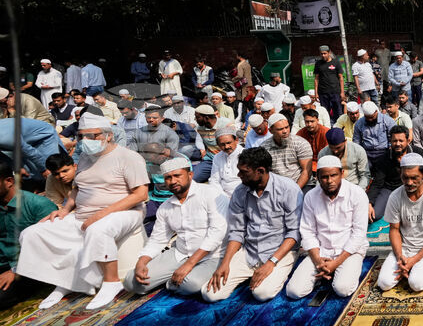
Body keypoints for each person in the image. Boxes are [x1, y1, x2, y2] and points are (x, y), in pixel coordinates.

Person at [18, 113, 149, 310]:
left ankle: (111, 282)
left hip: (126, 211)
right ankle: (65, 281)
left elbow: (140, 194)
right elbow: (77, 189)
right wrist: (64, 211)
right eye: (81, 136)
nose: (86, 141)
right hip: (83, 213)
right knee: (33, 233)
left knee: (98, 230)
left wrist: (102, 214)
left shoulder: (128, 157)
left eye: (92, 136)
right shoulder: (85, 158)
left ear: (108, 135)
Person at [203, 148, 302, 302]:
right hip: (250, 251)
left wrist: (271, 263)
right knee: (209, 293)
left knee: (261, 293)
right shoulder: (240, 192)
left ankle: (278, 270)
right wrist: (225, 263)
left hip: (279, 251)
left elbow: (294, 232)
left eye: (244, 172)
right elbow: (237, 231)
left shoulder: (288, 189)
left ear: (260, 171)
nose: (239, 176)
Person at [123, 157, 228, 296]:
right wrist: (141, 262)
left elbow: (217, 234)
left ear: (190, 175)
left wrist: (189, 264)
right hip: (180, 253)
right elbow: (157, 240)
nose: (172, 181)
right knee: (131, 282)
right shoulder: (165, 207)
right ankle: (175, 277)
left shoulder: (211, 194)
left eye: (177, 176)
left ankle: (174, 279)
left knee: (191, 284)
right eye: (168, 178)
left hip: (212, 255)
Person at [286, 156, 369, 299]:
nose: (330, 181)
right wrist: (318, 260)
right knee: (294, 291)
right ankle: (325, 273)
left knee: (342, 289)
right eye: (324, 177)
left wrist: (336, 263)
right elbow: (307, 231)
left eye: (334, 175)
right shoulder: (311, 196)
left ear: (342, 174)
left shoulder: (357, 194)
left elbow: (358, 234)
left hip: (349, 251)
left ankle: (336, 271)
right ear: (317, 177)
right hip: (321, 251)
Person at [376, 154, 423, 292]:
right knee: (384, 283)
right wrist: (400, 258)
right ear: (400, 174)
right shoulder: (395, 196)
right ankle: (407, 269)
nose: (409, 182)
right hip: (404, 248)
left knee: (416, 284)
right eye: (405, 177)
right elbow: (394, 230)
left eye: (414, 178)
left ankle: (414, 270)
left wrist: (415, 259)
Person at [0, 162, 58, 309]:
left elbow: (49, 247)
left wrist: (14, 270)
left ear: (9, 181)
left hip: (30, 266)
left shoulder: (38, 205)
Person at [368, 125, 423, 221]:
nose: (398, 144)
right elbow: (377, 183)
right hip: (389, 189)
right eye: (395, 141)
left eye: (401, 141)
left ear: (408, 140)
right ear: (390, 142)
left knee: (419, 215)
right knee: (374, 215)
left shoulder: (418, 153)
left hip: (412, 187)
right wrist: (369, 203)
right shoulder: (384, 158)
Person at [261, 114, 313, 189]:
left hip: (300, 185)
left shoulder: (300, 143)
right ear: (271, 131)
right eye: (280, 129)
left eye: (287, 127)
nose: (285, 131)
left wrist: (295, 190)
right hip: (276, 187)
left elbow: (307, 171)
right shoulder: (264, 147)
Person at [354, 100, 395, 165]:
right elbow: (357, 142)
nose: (370, 119)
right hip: (366, 153)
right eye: (367, 117)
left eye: (372, 117)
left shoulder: (388, 121)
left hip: (384, 152)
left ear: (376, 112)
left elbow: (393, 138)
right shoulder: (359, 123)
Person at [193, 104, 225, 182]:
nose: (195, 119)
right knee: (191, 180)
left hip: (226, 160)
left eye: (197, 117)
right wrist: (202, 149)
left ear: (206, 118)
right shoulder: (199, 128)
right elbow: (199, 140)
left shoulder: (225, 124)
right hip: (210, 160)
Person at [209, 126, 243, 196]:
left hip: (242, 194)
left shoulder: (245, 154)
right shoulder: (217, 157)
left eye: (229, 143)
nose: (226, 147)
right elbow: (214, 180)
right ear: (218, 145)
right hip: (222, 194)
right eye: (222, 144)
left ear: (236, 140)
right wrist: (223, 197)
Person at [314, 45, 344, 119]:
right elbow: (316, 79)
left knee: (338, 112)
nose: (323, 55)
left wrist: (342, 92)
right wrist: (316, 93)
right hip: (323, 93)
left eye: (325, 53)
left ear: (329, 53)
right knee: (325, 113)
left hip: (335, 92)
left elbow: (341, 78)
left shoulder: (336, 62)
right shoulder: (318, 64)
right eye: (321, 54)